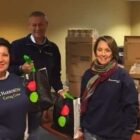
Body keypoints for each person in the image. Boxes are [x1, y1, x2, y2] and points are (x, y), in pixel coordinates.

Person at [9, 11, 64, 140]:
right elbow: (6, 70)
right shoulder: (17, 46)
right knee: (17, 133)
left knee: (35, 132)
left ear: (46, 25)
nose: (37, 28)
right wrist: (20, 68)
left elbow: (55, 75)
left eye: (40, 25)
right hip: (19, 100)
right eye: (34, 25)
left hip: (41, 101)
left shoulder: (53, 48)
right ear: (29, 26)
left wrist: (60, 89)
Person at [78, 35, 138, 140]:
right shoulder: (88, 75)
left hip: (113, 135)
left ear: (113, 52)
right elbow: (83, 102)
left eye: (107, 50)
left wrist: (126, 134)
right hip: (90, 133)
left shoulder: (122, 76)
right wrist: (83, 126)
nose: (103, 54)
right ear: (95, 52)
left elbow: (131, 108)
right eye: (99, 50)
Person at [0, 37, 30, 140]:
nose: (1, 59)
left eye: (5, 55)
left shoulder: (19, 81)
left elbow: (24, 111)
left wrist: (26, 135)